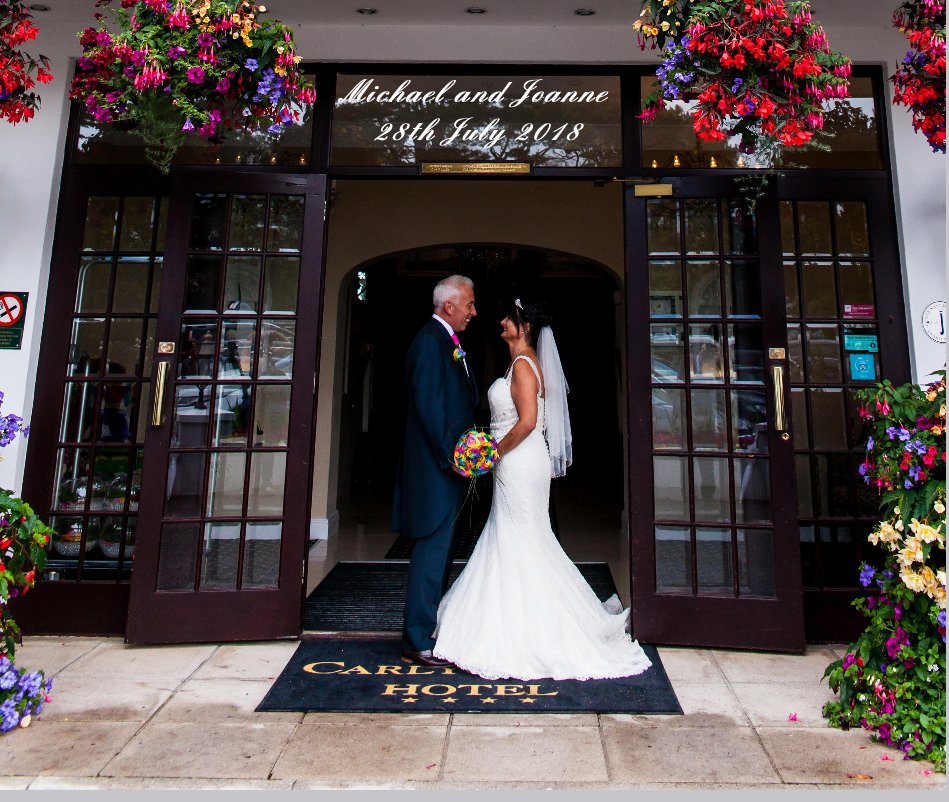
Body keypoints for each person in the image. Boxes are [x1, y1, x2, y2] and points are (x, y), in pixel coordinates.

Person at [432, 297, 652, 680]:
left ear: (525, 326)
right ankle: (528, 618)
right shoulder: (523, 362)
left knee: (520, 537)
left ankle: (531, 630)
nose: (501, 322)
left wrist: (492, 453)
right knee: (523, 536)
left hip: (518, 462)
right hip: (519, 461)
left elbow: (529, 421)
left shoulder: (523, 366)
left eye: (509, 318)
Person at [394, 274, 479, 667]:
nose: (472, 312)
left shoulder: (447, 341)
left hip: (445, 467)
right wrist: (453, 458)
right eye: (469, 305)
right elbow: (429, 409)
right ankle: (416, 639)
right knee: (431, 552)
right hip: (435, 469)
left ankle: (427, 629)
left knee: (443, 553)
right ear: (449, 306)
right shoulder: (429, 343)